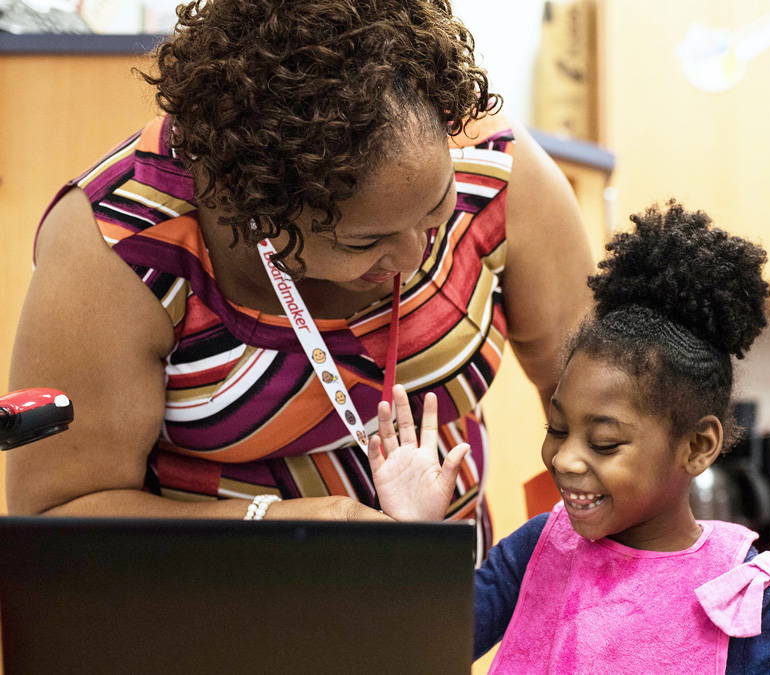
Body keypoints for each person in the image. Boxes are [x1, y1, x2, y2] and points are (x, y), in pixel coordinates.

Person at [6, 0, 592, 555]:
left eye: (436, 209)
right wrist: (284, 531)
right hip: (213, 626)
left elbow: (610, 416)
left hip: (437, 613)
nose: (414, 256)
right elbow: (60, 515)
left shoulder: (491, 167)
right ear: (256, 207)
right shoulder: (126, 246)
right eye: (364, 241)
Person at [370, 201, 770, 673]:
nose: (564, 459)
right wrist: (412, 535)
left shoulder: (746, 591)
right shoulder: (538, 547)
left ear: (697, 446)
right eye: (557, 429)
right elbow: (418, 649)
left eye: (604, 442)